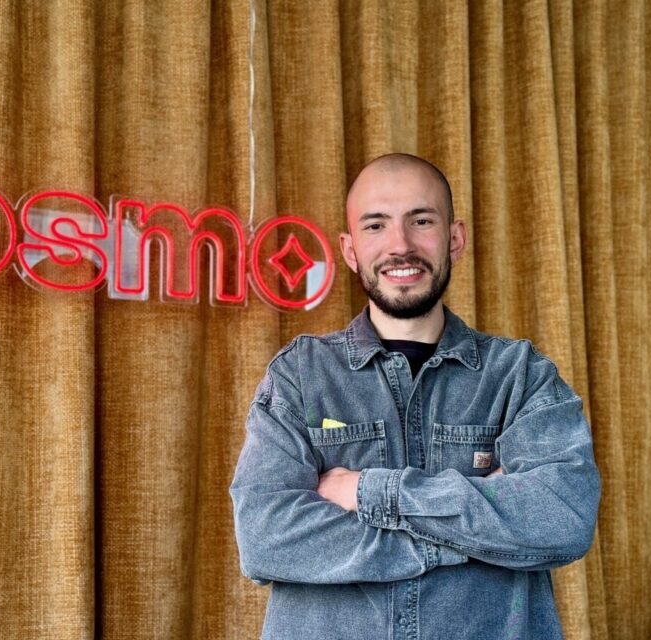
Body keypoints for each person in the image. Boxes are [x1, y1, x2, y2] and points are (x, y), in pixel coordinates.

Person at [230, 153, 601, 640]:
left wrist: (363, 491)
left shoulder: (521, 376)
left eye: (421, 220)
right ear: (349, 249)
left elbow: (562, 518)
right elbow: (267, 538)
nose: (399, 245)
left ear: (455, 238)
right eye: (375, 226)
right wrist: (466, 536)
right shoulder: (299, 376)